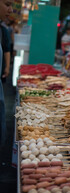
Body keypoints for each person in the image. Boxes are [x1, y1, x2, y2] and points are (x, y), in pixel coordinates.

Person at [0, 0, 13, 147]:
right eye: (7, 4)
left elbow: (7, 50)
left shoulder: (2, 30)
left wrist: (7, 67)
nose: (10, 10)